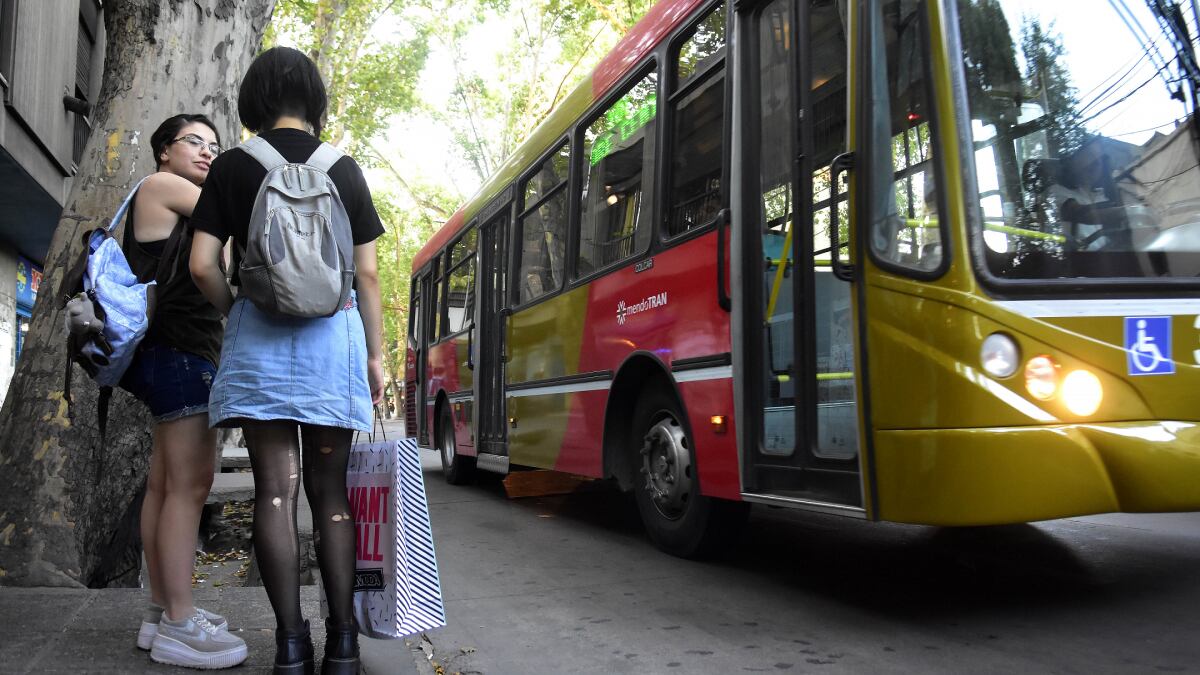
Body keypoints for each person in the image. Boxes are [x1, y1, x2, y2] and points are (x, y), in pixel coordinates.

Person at [189, 46, 385, 675]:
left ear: (256, 98)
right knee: (331, 496)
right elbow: (369, 274)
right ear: (313, 98)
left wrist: (236, 309)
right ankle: (344, 645)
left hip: (261, 348)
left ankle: (290, 646)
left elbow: (201, 264)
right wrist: (376, 358)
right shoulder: (344, 168)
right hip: (333, 349)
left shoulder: (233, 168)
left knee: (276, 494)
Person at [124, 114, 248, 669]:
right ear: (163, 151)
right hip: (179, 354)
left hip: (164, 354)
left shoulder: (178, 202)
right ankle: (179, 622)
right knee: (188, 488)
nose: (206, 152)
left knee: (163, 486)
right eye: (193, 142)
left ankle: (159, 613)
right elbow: (236, 221)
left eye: (213, 146)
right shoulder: (161, 186)